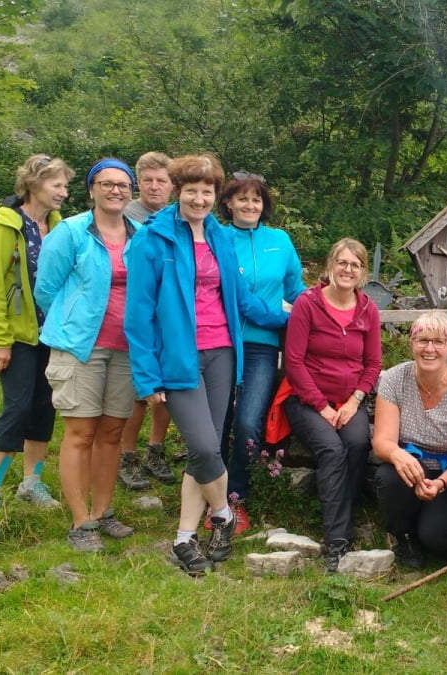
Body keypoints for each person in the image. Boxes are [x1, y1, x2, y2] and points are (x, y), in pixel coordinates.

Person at [124, 153, 288, 575]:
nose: (199, 199)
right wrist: (146, 374)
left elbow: (241, 299)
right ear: (179, 192)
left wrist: (294, 317)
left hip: (222, 353)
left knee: (208, 450)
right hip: (179, 357)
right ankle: (224, 515)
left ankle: (183, 537)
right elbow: (138, 315)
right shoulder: (152, 239)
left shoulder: (218, 236)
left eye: (207, 191)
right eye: (192, 191)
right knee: (201, 446)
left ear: (216, 197)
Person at [35, 158, 139, 551]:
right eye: (107, 184)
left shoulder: (140, 234)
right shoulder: (71, 232)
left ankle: (102, 511)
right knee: (80, 432)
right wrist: (74, 321)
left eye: (123, 185)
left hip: (127, 348)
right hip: (80, 347)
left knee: (112, 433)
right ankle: (80, 522)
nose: (116, 190)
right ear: (92, 190)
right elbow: (46, 289)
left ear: (132, 192)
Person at [0, 154, 74, 528]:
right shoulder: (6, 225)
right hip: (16, 337)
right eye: (57, 185)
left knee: (45, 407)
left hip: (53, 334)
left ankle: (32, 482)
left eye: (65, 185)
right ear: (34, 184)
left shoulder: (61, 226)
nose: (63, 192)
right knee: (16, 408)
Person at [213, 171, 305, 534]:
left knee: (249, 421)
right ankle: (213, 498)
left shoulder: (280, 241)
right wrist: (275, 317)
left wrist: (327, 310)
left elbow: (297, 290)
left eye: (257, 199)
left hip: (261, 346)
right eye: (242, 198)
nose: (250, 205)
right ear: (228, 203)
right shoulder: (216, 238)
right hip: (219, 340)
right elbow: (226, 293)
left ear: (264, 205)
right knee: (216, 423)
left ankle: (237, 497)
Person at [283, 238, 381, 573]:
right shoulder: (307, 304)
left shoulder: (368, 309)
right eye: (342, 263)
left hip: (349, 401)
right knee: (331, 448)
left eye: (355, 265)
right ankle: (337, 540)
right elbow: (294, 363)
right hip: (306, 400)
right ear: (330, 265)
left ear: (362, 272)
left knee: (357, 442)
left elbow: (372, 364)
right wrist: (323, 407)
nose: (348, 270)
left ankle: (346, 510)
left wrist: (355, 401)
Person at [372, 311, 447, 569]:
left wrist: (439, 484)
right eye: (422, 340)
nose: (429, 348)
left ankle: (435, 536)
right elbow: (382, 442)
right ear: (412, 344)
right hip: (408, 466)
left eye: (438, 342)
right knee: (388, 477)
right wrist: (399, 455)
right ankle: (404, 537)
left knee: (437, 537)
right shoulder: (395, 379)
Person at [119, 151, 178, 490]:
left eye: (162, 181)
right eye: (148, 181)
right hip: (138, 312)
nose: (155, 187)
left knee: (167, 389)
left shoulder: (178, 217)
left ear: (172, 185)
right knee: (139, 391)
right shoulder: (125, 216)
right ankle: (127, 455)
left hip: (169, 317)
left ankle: (155, 449)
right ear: (137, 183)